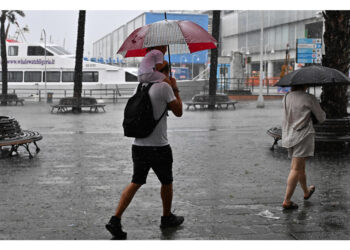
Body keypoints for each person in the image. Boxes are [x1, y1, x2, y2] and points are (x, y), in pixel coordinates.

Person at [106, 61, 184, 239]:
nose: (167, 73)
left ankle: (115, 219)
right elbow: (179, 111)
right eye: (166, 70)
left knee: (136, 181)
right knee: (166, 181)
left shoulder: (140, 87)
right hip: (159, 146)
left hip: (138, 146)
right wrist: (175, 88)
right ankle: (166, 217)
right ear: (161, 71)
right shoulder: (164, 87)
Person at [281, 84, 326, 210]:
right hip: (303, 135)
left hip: (289, 135)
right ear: (305, 84)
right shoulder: (309, 98)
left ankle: (306, 191)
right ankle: (287, 201)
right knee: (296, 168)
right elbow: (321, 117)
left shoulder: (286, 97)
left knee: (300, 166)